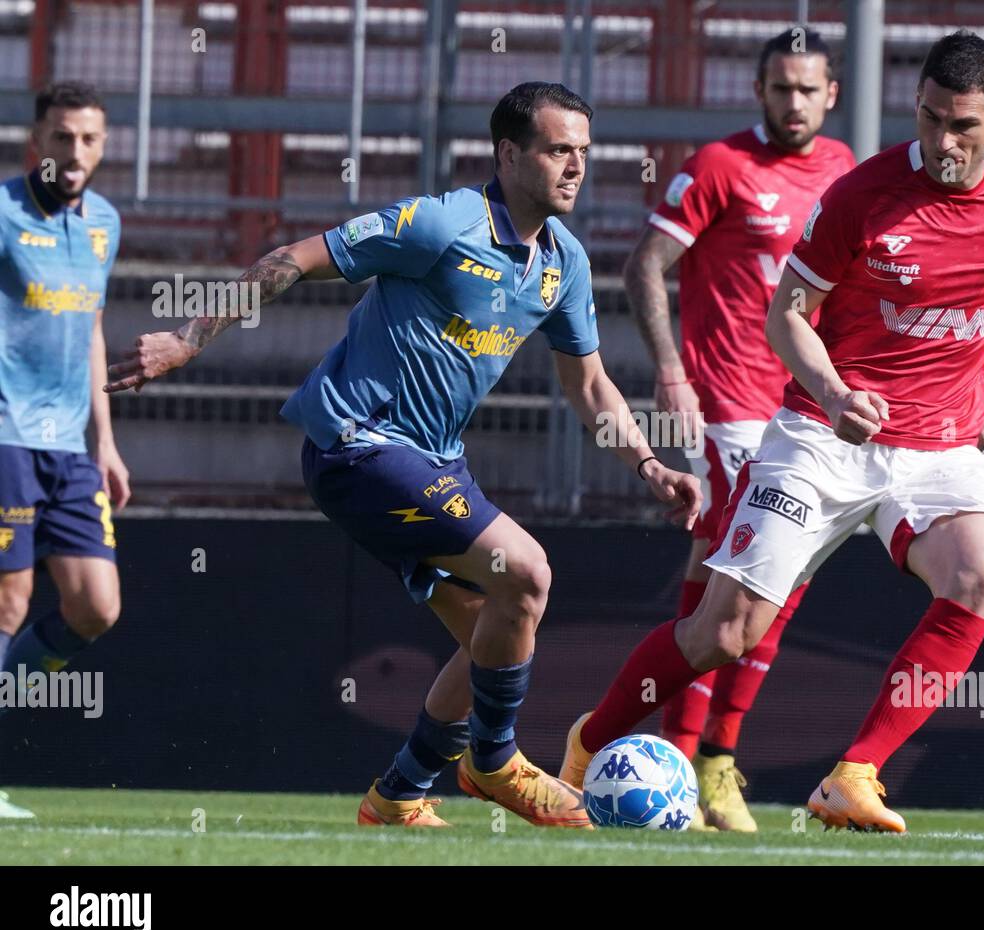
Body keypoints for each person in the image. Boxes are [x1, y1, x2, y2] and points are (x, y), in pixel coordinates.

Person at [106, 82, 701, 829]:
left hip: (432, 464)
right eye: (558, 150)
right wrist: (186, 339)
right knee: (527, 570)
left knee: (494, 626)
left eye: (584, 152)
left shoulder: (564, 264)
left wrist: (648, 464)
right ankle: (495, 762)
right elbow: (292, 258)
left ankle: (397, 793)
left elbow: (589, 385)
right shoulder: (441, 223)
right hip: (356, 444)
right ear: (510, 153)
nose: (576, 166)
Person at [561, 31, 984, 832]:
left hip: (941, 445)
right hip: (821, 436)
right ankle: (587, 747)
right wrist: (833, 393)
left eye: (963, 126)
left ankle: (854, 775)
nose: (942, 141)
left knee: (981, 577)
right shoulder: (863, 194)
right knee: (723, 633)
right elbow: (784, 314)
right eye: (931, 119)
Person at [625, 28, 855, 831]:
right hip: (729, 405)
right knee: (758, 577)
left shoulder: (845, 170)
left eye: (807, 89)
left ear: (832, 94)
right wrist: (671, 372)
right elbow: (645, 262)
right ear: (760, 92)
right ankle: (695, 759)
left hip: (805, 408)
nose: (793, 102)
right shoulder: (721, 166)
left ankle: (697, 758)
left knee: (759, 581)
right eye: (780, 87)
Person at [0, 82, 127, 820]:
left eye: (88, 139)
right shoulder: (5, 212)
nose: (74, 152)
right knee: (10, 601)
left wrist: (105, 441)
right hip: (6, 437)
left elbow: (92, 330)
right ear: (36, 143)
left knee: (93, 607)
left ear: (102, 147)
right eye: (61, 137)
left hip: (70, 449)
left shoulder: (105, 222)